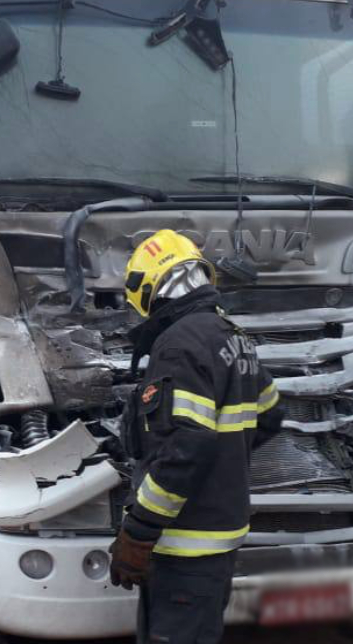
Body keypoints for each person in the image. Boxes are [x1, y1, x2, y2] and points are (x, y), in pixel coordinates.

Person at [110, 230, 282, 644]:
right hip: (218, 537)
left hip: (185, 545)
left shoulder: (178, 345)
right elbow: (272, 413)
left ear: (149, 287)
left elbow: (185, 448)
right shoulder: (234, 336)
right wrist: (226, 464)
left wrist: (139, 531)